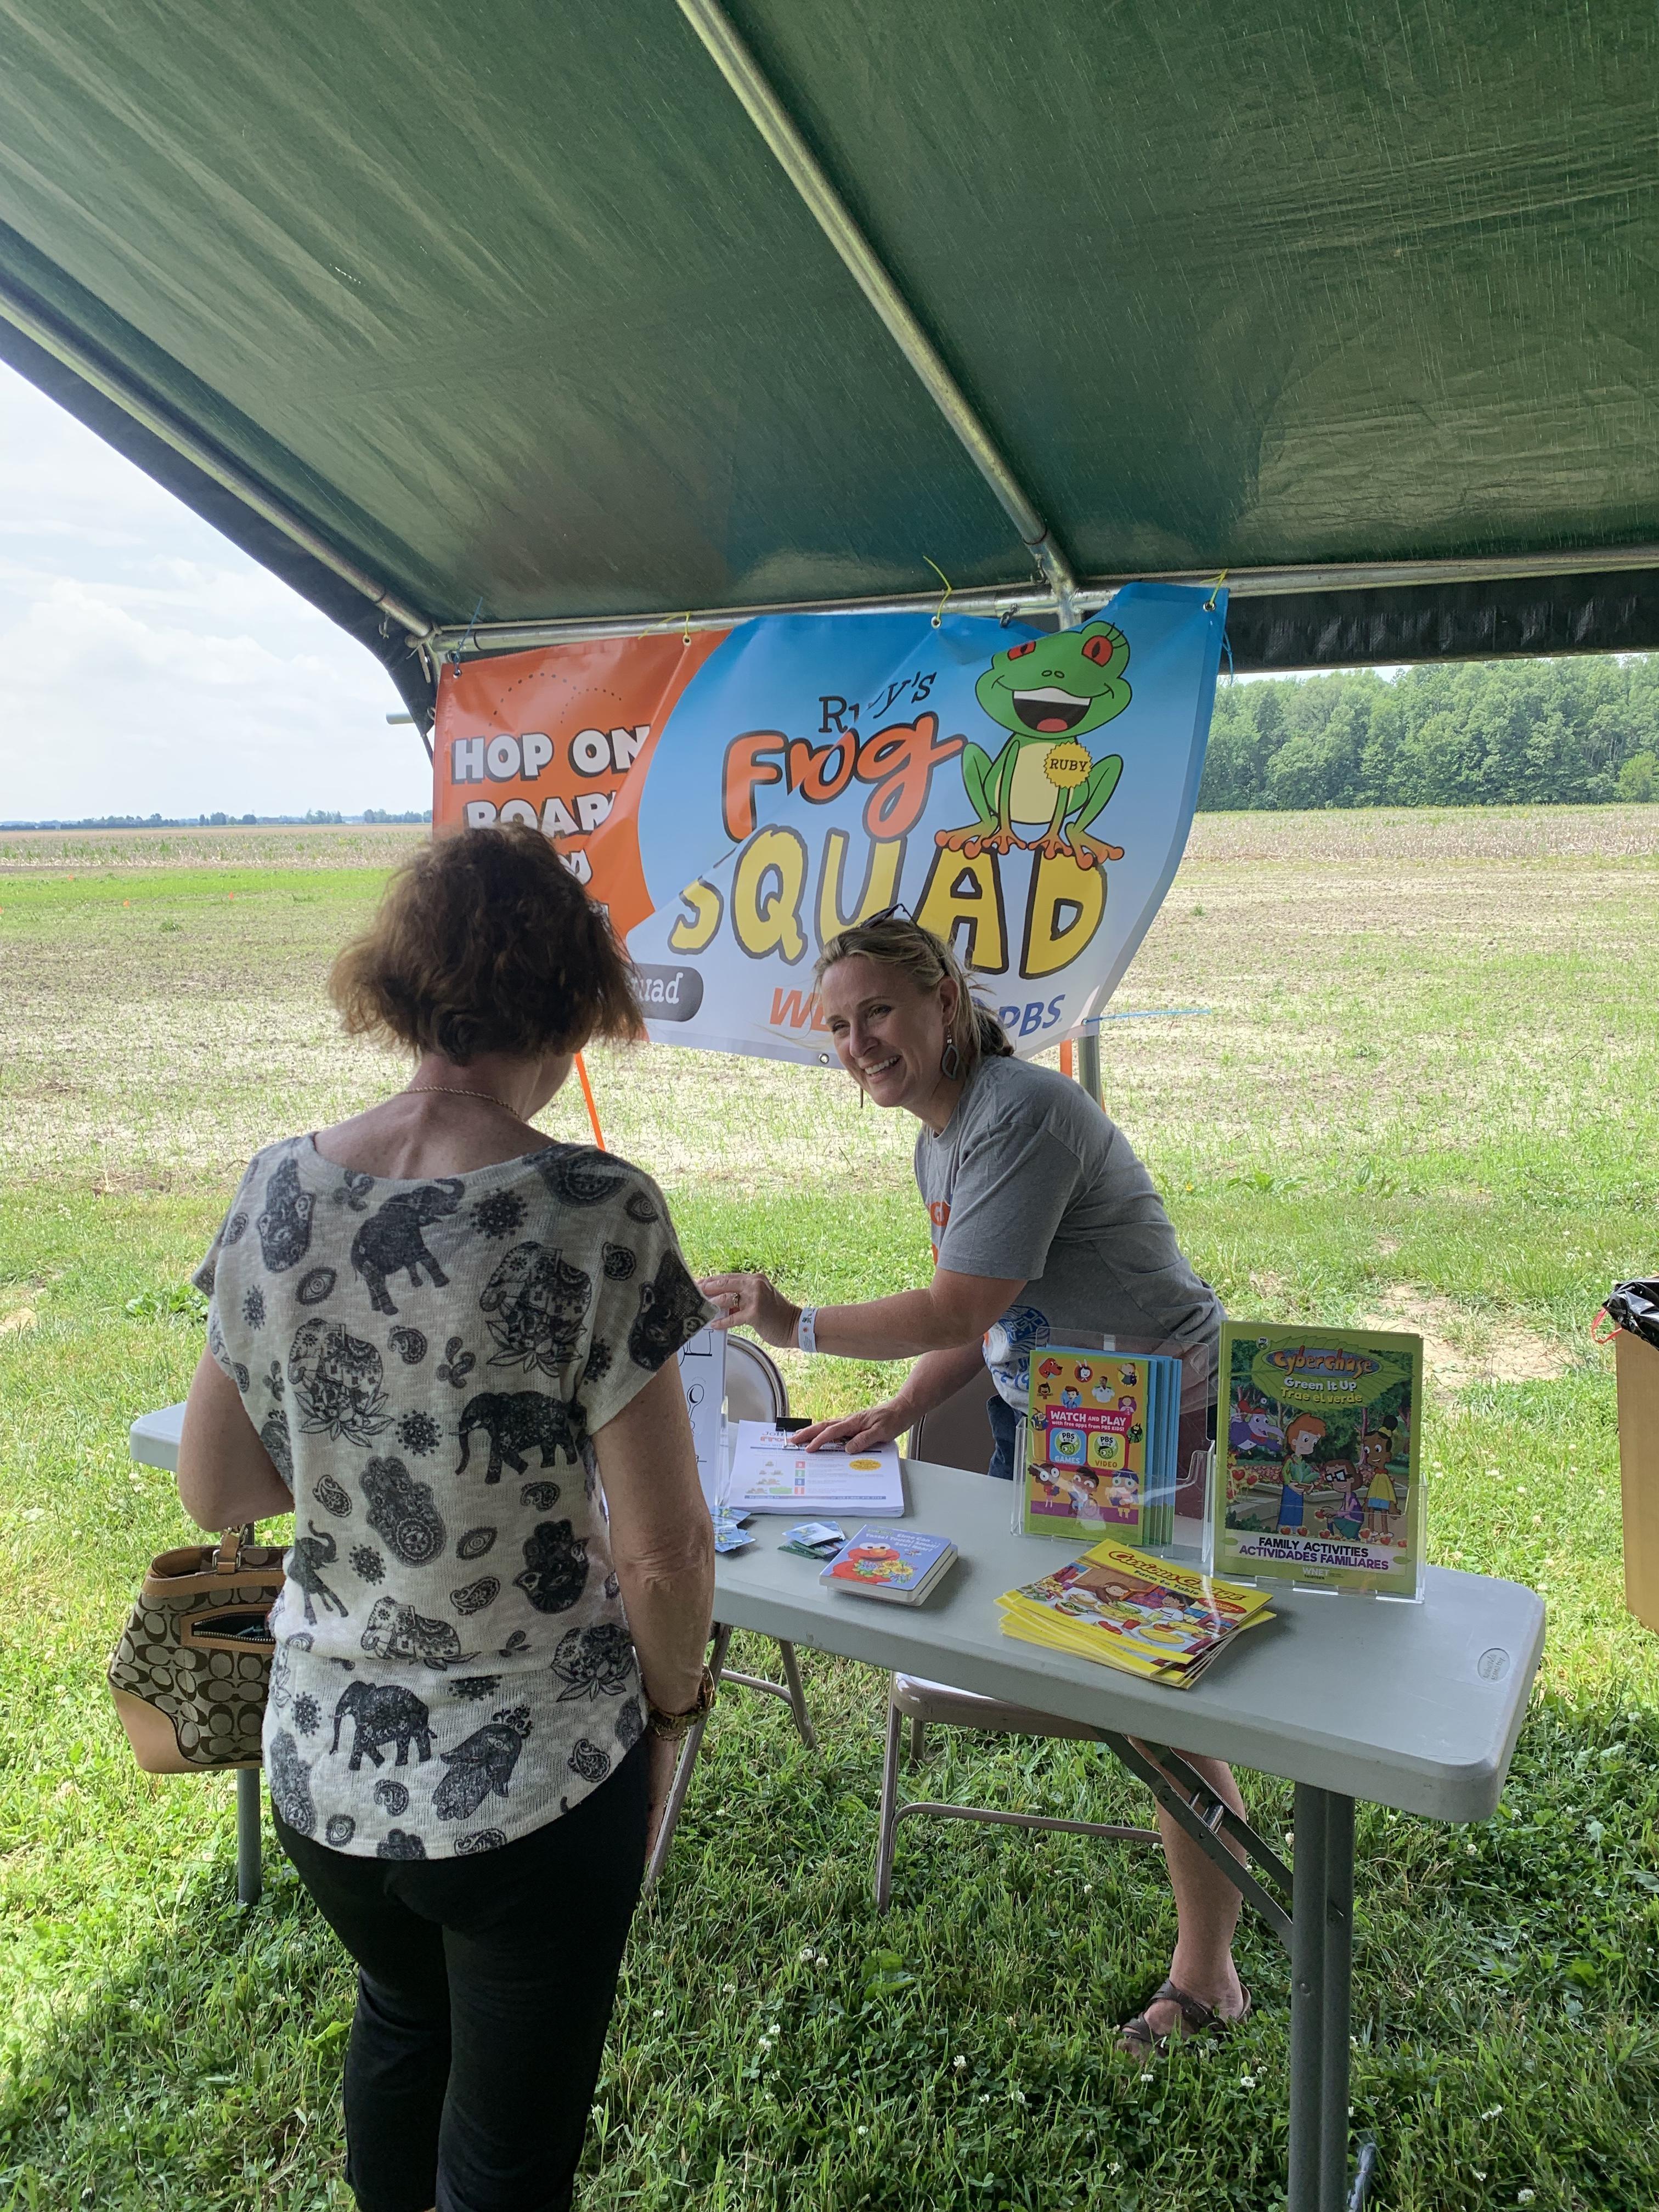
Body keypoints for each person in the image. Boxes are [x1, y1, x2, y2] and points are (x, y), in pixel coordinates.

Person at [175, 826, 716, 2212]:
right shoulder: (597, 1209)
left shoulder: (274, 1190)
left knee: (402, 2027)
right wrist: (668, 1721)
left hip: (322, 1777)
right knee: (509, 2161)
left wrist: (370, 1447)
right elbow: (663, 1555)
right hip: (536, 1785)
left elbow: (220, 1486)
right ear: (575, 999)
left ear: (406, 987)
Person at [700, 912, 1247, 2053]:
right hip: (1055, 1416)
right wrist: (902, 1408)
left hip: (1145, 1422)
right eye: (839, 1025)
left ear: (945, 998)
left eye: (879, 1012)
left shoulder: (1024, 1113)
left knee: (1165, 1693)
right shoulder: (941, 1136)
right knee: (1124, 1671)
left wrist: (795, 1322)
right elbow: (991, 1311)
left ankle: (1209, 1976)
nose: (858, 1043)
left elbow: (957, 1305)